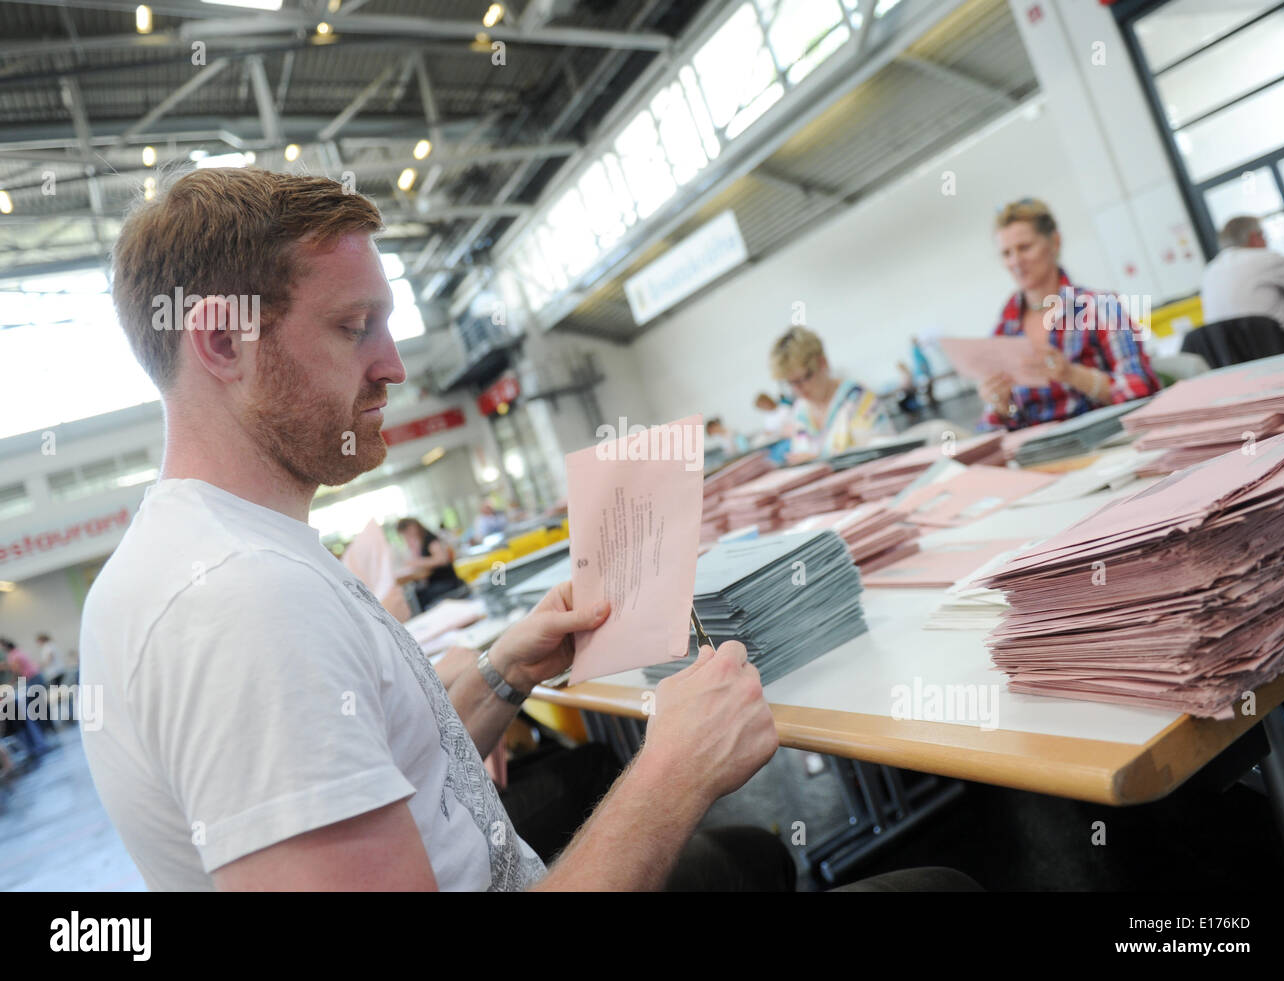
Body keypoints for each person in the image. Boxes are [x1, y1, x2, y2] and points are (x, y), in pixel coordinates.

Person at [79, 167, 784, 892]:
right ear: (225, 342)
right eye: (354, 328)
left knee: (752, 860)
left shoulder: (225, 550)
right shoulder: (241, 603)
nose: (394, 366)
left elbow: (393, 767)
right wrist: (674, 770)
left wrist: (502, 673)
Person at [977, 198, 1161, 431]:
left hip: (1106, 442)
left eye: (1024, 248)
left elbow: (1141, 390)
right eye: (1006, 253)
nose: (1015, 261)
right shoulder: (1002, 331)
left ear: (1054, 242)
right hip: (1039, 454)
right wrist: (1000, 406)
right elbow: (989, 429)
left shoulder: (1100, 307)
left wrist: (1072, 374)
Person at [769, 326, 893, 462]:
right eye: (792, 383)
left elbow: (880, 454)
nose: (799, 389)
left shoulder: (858, 399)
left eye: (805, 378)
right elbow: (801, 451)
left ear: (822, 363)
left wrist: (821, 461)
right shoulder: (800, 412)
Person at [1201, 216, 1284, 331]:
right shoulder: (1266, 258)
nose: (1266, 241)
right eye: (1264, 236)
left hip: (1227, 347)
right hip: (1276, 343)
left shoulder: (1210, 270)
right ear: (1254, 237)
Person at [395, 516, 466, 611]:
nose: (406, 537)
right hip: (437, 582)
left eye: (406, 534)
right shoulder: (420, 541)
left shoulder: (430, 539)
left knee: (421, 597)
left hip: (447, 581)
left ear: (412, 528)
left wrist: (418, 562)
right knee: (417, 594)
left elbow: (442, 559)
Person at [2, 638, 50, 763]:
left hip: (31, 679)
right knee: (36, 711)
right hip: (35, 677)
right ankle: (42, 739)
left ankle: (39, 743)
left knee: (33, 712)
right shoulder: (18, 652)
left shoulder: (12, 656)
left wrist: (11, 683)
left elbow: (17, 671)